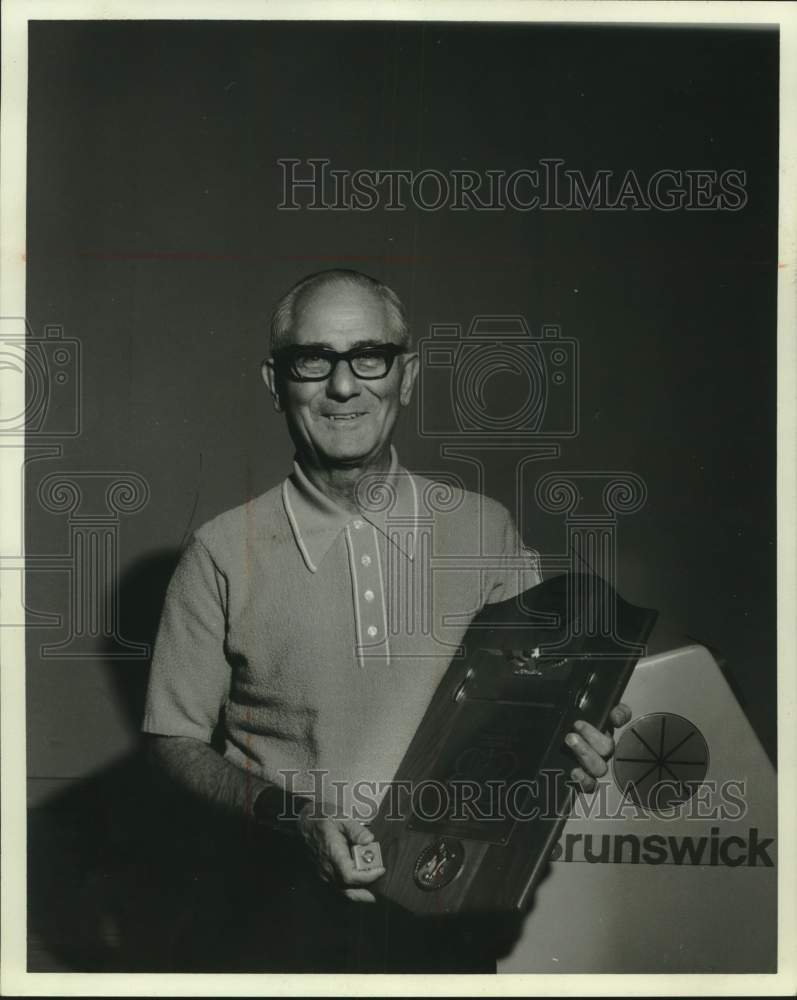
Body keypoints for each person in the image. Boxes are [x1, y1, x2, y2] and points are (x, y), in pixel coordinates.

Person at [141, 268, 631, 973]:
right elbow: (175, 741)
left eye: (369, 356)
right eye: (313, 360)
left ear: (406, 376)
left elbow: (535, 706)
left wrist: (575, 740)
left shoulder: (482, 531)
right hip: (278, 928)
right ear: (275, 382)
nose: (343, 387)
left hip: (449, 920)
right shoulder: (221, 551)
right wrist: (294, 817)